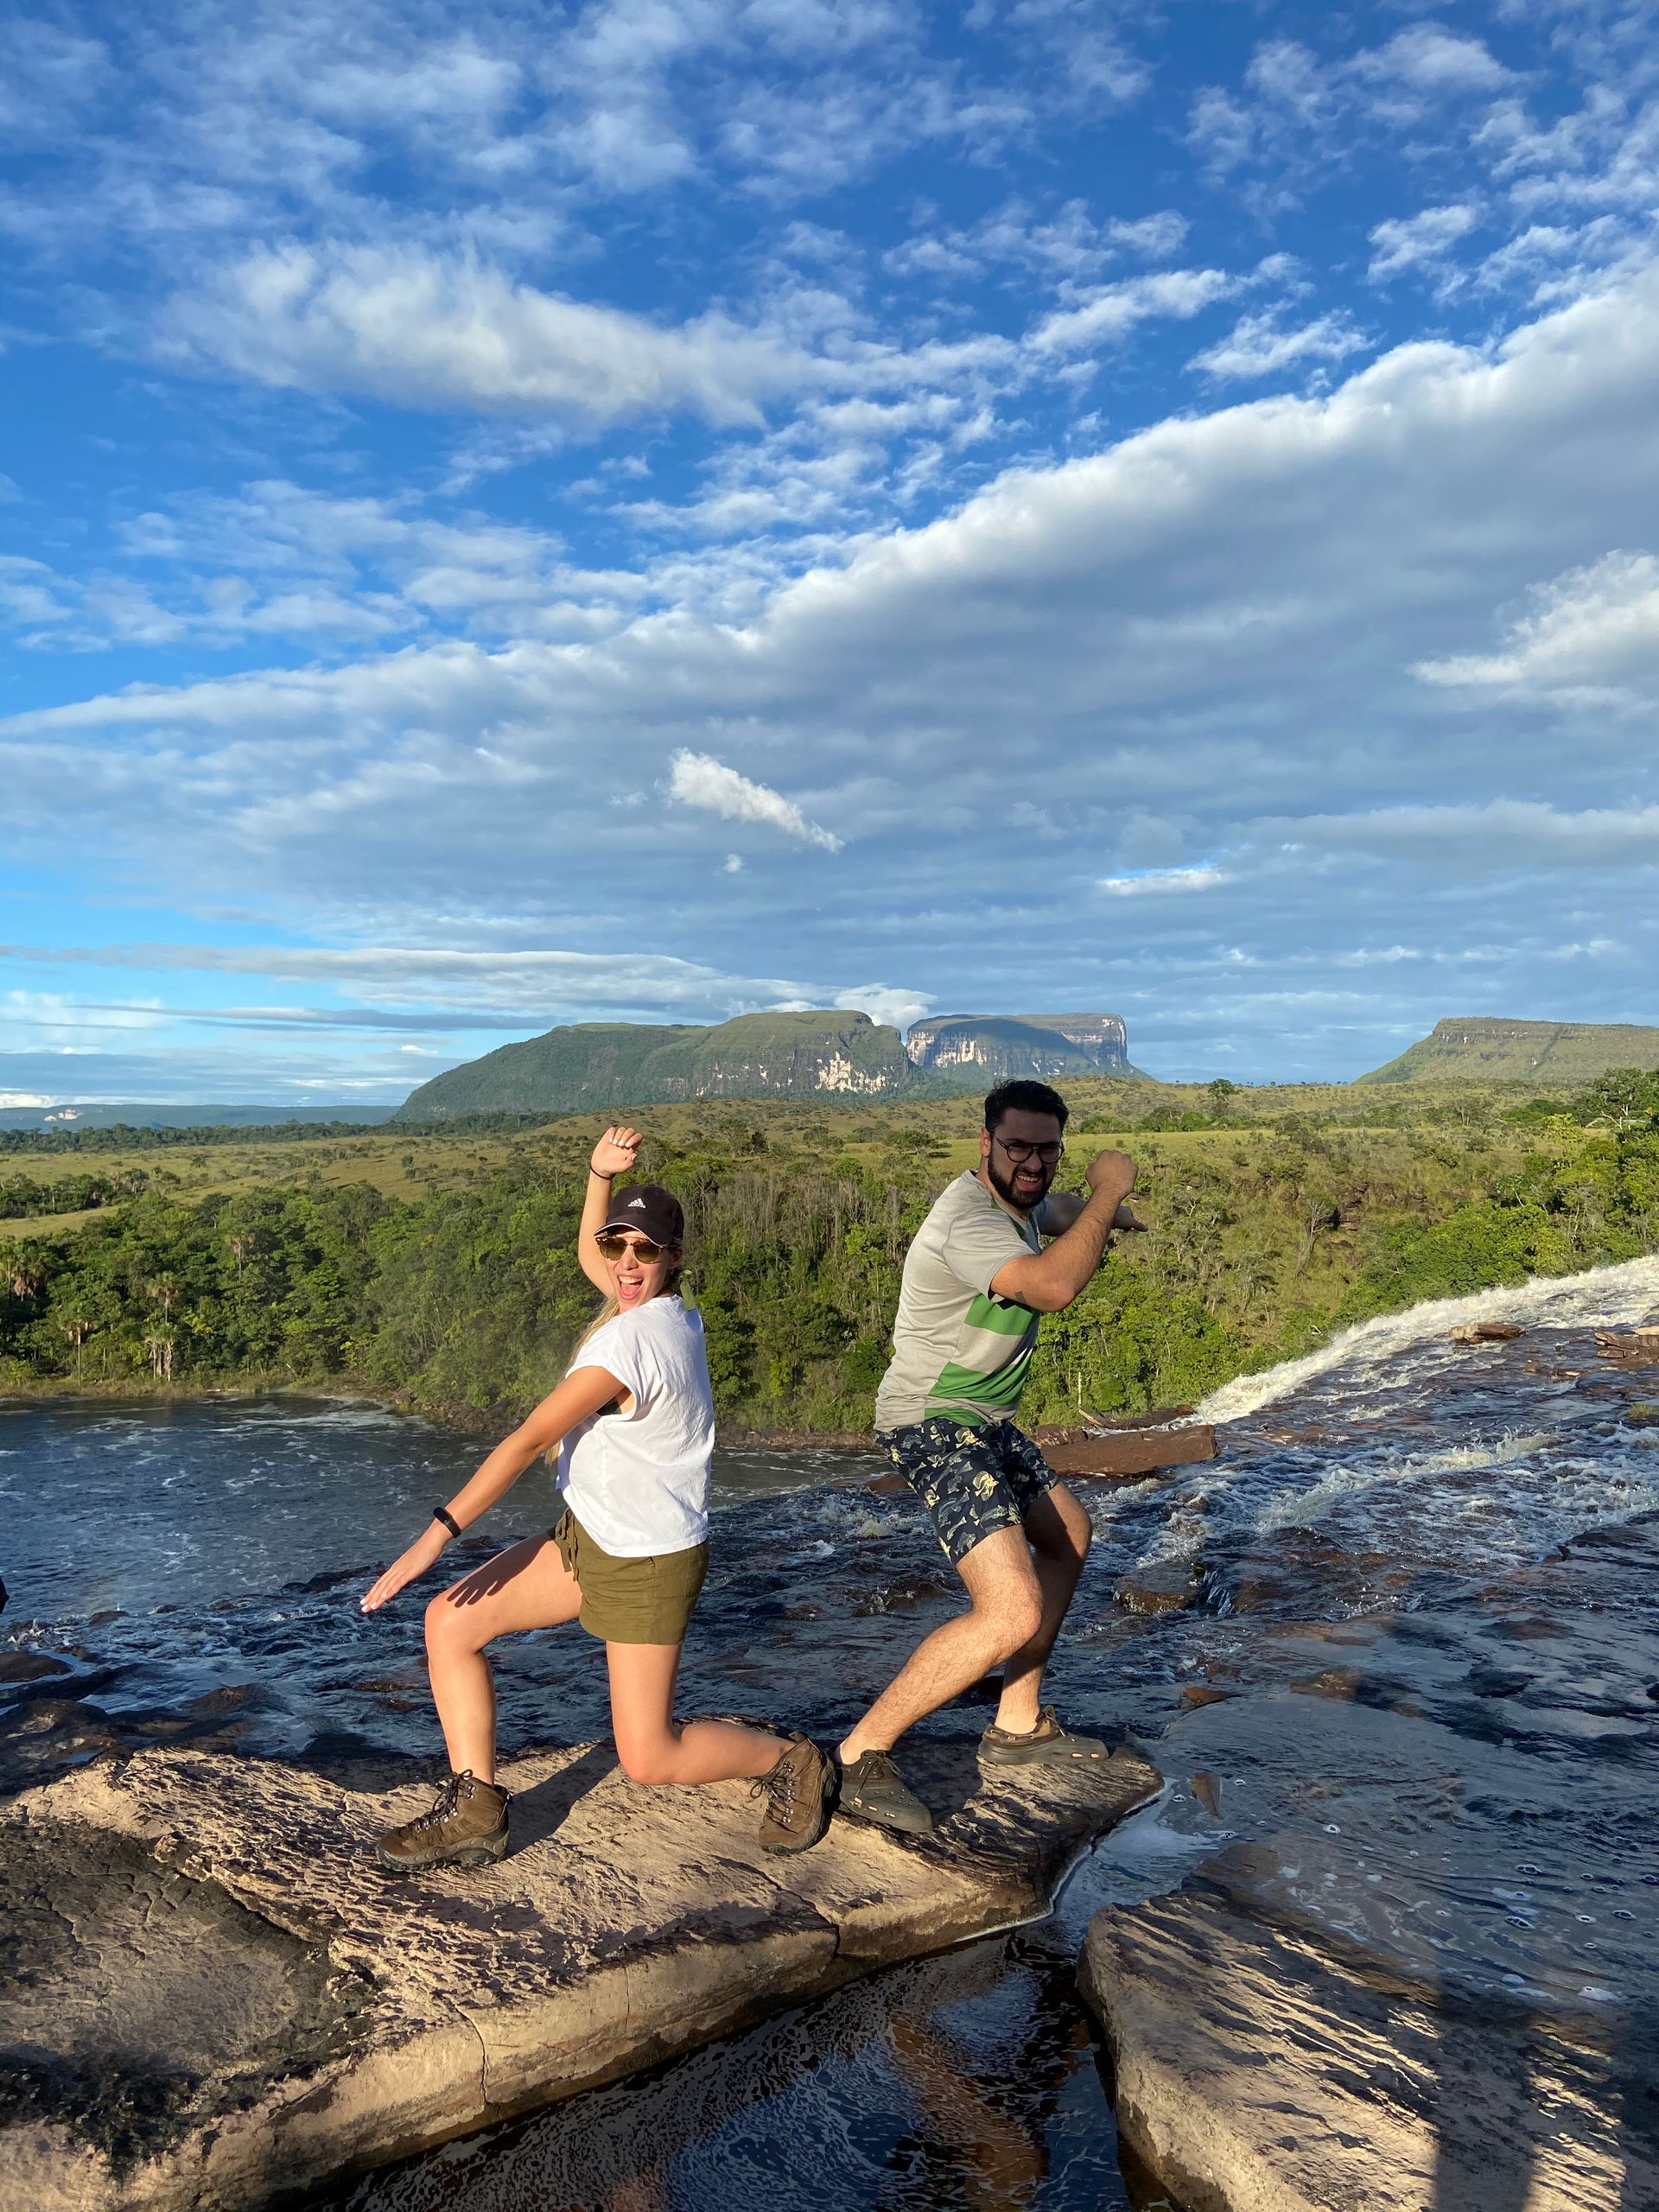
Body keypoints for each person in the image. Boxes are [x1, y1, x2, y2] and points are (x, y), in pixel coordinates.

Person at [361, 1127, 836, 1869]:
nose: (624, 1264)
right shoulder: (669, 1313)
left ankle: (792, 1758)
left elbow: (522, 1442)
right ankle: (478, 1808)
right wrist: (597, 1176)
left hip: (647, 1560)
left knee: (649, 1756)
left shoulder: (628, 1348)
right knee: (449, 1625)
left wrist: (436, 1535)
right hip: (591, 1537)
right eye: (619, 1246)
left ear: (672, 1258)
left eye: (644, 1251)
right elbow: (596, 1260)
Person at [836, 1080, 1141, 1833]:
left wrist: (1103, 1211)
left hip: (987, 1420)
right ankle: (857, 1755)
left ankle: (1016, 1722)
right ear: (985, 1144)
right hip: (933, 1420)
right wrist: (1108, 1193)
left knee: (1069, 1536)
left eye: (1047, 1149)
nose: (1033, 1162)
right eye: (1019, 1147)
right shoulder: (968, 1219)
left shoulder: (1024, 1200)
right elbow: (1053, 1284)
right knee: (1010, 1611)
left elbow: (1058, 1212)